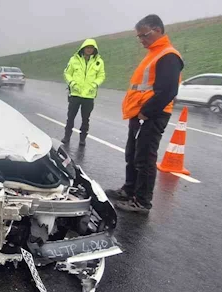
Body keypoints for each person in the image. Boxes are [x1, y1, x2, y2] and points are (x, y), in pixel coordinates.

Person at [105, 14, 184, 213]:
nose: (141, 40)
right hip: (139, 113)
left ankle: (141, 201)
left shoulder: (168, 55)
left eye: (144, 35)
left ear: (158, 30)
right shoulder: (153, 52)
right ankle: (129, 189)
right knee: (132, 154)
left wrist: (146, 113)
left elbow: (168, 91)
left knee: (144, 158)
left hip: (151, 115)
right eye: (138, 37)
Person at [62, 38, 106, 146]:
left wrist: (95, 84)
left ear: (94, 49)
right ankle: (67, 136)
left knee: (86, 119)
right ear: (83, 48)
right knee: (71, 117)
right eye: (87, 47)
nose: (89, 50)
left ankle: (82, 139)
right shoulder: (74, 60)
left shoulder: (98, 62)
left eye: (91, 48)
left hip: (89, 96)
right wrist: (72, 84)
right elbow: (67, 73)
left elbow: (101, 76)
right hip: (75, 94)